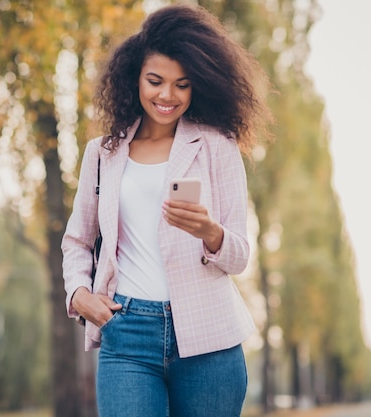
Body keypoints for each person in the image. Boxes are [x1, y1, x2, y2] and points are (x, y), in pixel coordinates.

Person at [61, 4, 272, 417]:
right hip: (127, 331)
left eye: (182, 84)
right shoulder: (102, 154)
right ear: (134, 78)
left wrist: (211, 232)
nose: (167, 95)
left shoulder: (218, 147)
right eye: (155, 81)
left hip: (209, 337)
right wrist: (78, 294)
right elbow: (77, 240)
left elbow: (239, 255)